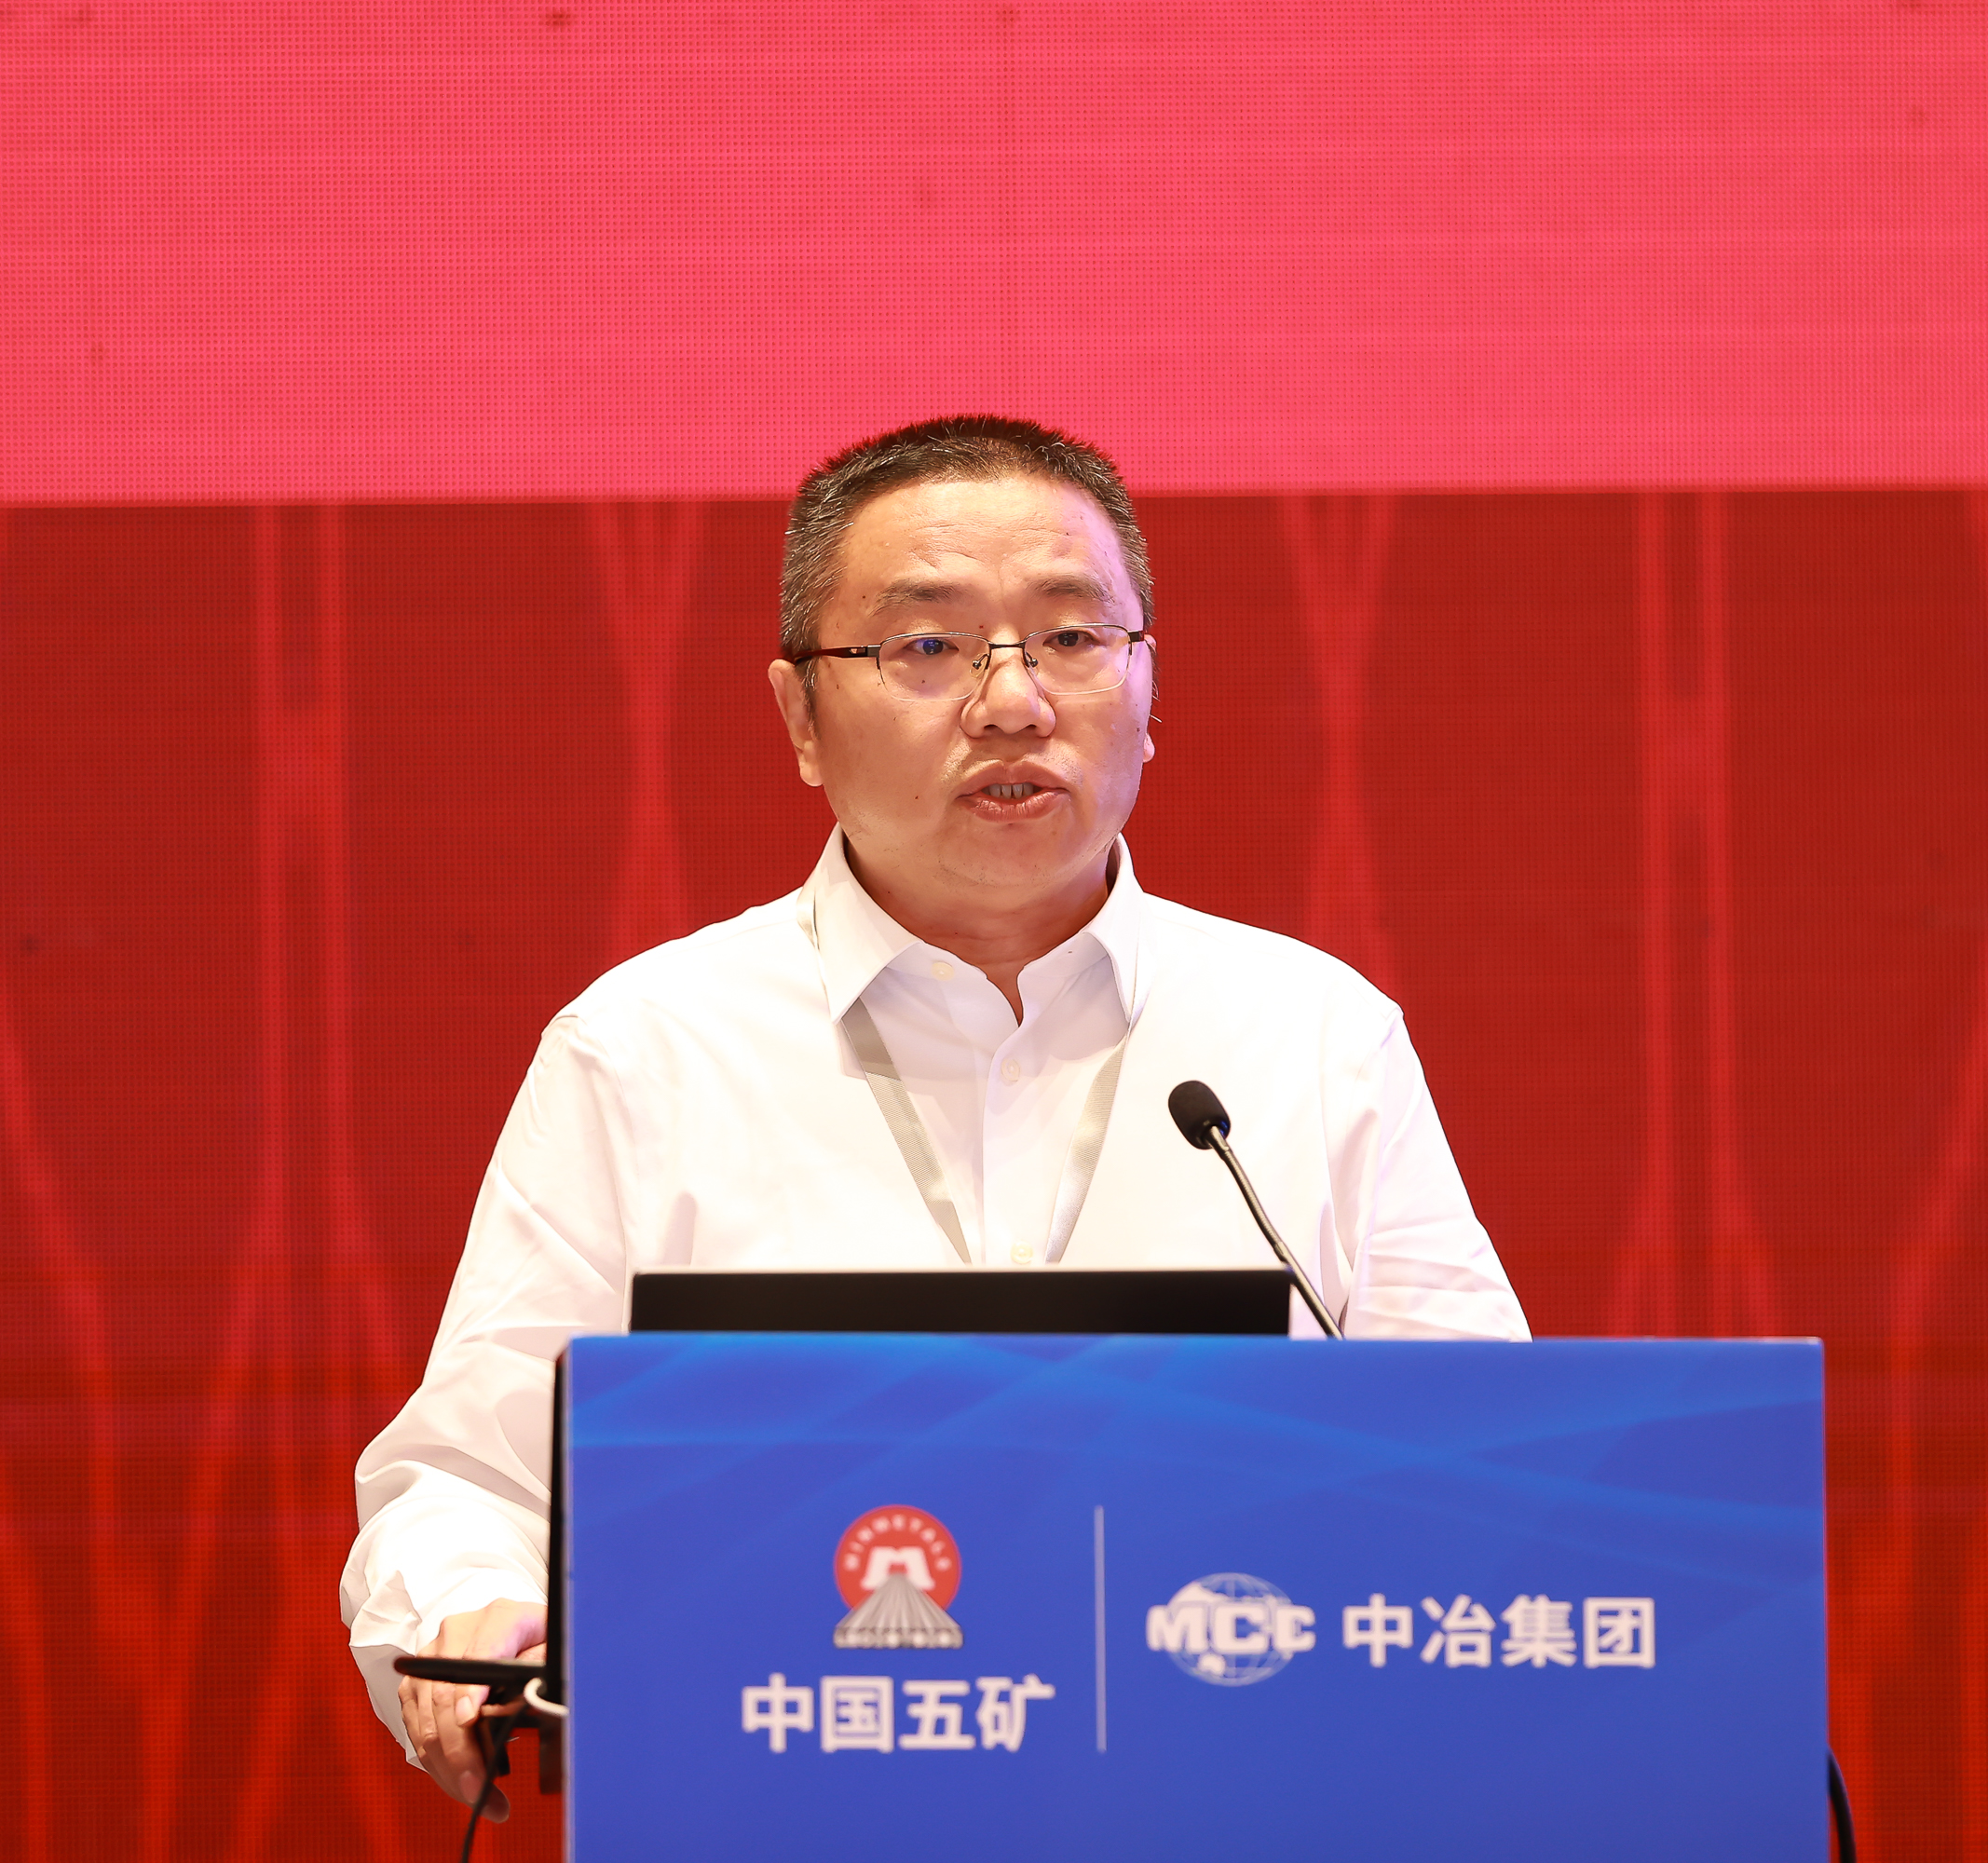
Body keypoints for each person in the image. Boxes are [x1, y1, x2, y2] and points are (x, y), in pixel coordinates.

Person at [341, 415, 1529, 1813]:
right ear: (800, 716)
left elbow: (1491, 1470)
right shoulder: (652, 1048)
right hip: (787, 1795)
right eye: (927, 646)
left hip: (1229, 1795)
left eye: (1072, 638)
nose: (1012, 702)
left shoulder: (1310, 1036)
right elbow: (470, 1481)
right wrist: (473, 1613)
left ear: (1149, 684)